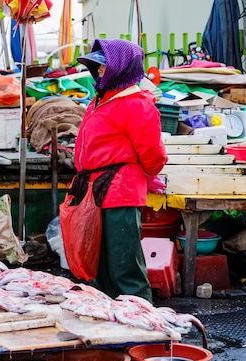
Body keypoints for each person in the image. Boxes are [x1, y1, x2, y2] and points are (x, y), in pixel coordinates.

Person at [67, 38, 168, 302]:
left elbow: (154, 155)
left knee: (125, 268)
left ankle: (144, 330)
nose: (98, 72)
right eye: (97, 67)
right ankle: (111, 327)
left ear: (120, 69)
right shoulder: (101, 100)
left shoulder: (136, 103)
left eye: (103, 67)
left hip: (120, 193)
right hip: (95, 190)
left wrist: (145, 176)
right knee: (99, 267)